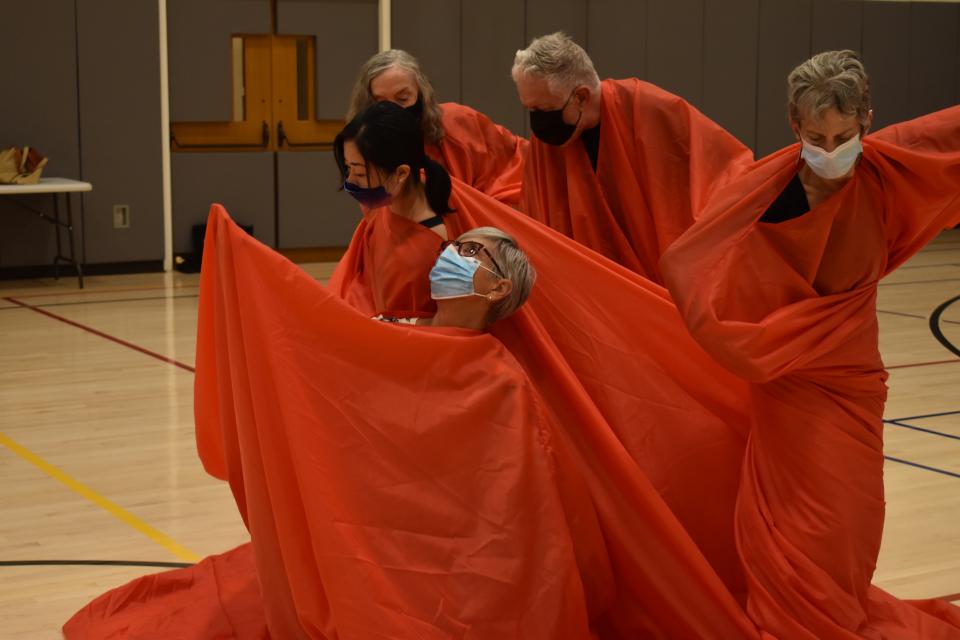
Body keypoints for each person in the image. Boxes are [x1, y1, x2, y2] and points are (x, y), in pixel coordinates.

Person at [661, 50, 960, 638]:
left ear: (867, 121)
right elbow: (691, 264)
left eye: (844, 136)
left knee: (852, 517)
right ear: (795, 127)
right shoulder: (764, 196)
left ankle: (832, 611)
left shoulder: (886, 168)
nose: (830, 151)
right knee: (804, 521)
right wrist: (760, 341)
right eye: (817, 137)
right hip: (790, 389)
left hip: (854, 383)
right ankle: (795, 620)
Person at [513, 32, 753, 283]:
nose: (537, 121)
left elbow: (726, 170)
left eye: (544, 110)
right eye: (530, 109)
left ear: (581, 96)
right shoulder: (547, 142)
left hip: (659, 279)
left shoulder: (650, 109)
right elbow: (537, 220)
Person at [349, 49, 527, 207]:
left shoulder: (459, 120)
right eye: (380, 102)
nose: (392, 110)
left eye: (402, 99)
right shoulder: (363, 144)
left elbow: (515, 159)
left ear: (421, 94)